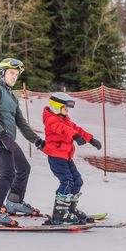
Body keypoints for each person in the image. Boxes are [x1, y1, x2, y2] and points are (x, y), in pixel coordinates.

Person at [0, 58, 46, 227]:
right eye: (11, 73)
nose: (14, 77)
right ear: (2, 73)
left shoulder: (12, 97)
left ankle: (14, 201)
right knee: (8, 173)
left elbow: (21, 123)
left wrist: (37, 140)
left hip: (8, 140)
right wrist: (1, 133)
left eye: (16, 74)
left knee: (23, 168)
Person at [41, 92, 102, 225]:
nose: (67, 111)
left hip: (66, 157)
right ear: (56, 107)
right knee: (67, 182)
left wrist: (91, 139)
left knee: (77, 181)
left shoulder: (65, 119)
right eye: (65, 108)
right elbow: (63, 129)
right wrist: (75, 136)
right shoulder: (51, 119)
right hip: (56, 157)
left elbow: (76, 129)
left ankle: (70, 209)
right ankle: (59, 213)